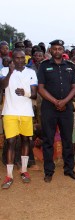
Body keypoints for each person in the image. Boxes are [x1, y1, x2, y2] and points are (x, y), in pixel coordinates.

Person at [37, 39, 75, 183]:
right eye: (54, 49)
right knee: (48, 140)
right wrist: (56, 102)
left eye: (59, 49)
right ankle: (49, 171)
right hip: (49, 107)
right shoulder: (44, 66)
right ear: (50, 51)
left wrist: (64, 101)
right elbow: (41, 88)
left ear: (63, 51)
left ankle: (69, 169)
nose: (57, 51)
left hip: (66, 107)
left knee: (67, 139)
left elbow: (74, 87)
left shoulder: (70, 66)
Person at [0, 49, 38, 189]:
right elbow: (2, 86)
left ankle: (24, 170)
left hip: (26, 112)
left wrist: (25, 93)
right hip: (10, 112)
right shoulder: (5, 70)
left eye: (23, 58)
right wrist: (10, 72)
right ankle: (9, 175)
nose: (20, 60)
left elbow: (34, 94)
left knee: (25, 140)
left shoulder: (31, 72)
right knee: (10, 141)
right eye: (17, 58)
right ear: (12, 58)